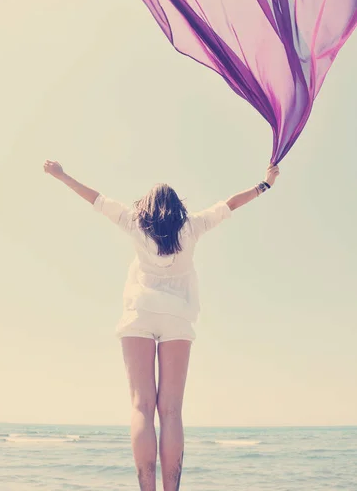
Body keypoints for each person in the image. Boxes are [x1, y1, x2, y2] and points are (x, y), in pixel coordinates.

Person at [43, 160, 280, 491]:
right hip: (177, 318)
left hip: (139, 313)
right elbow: (229, 205)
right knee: (171, 412)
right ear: (176, 208)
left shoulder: (134, 223)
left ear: (148, 206)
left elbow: (95, 199)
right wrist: (265, 184)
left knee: (142, 406)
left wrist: (61, 175)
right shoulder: (192, 227)